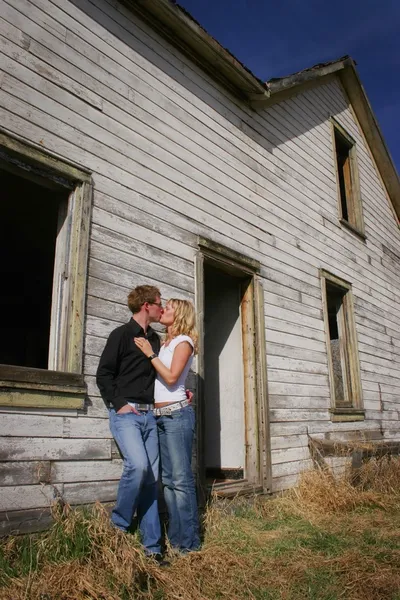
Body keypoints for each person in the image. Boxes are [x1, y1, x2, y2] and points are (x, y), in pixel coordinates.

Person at [96, 285, 164, 561]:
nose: (162, 307)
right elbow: (103, 375)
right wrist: (120, 404)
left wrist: (180, 391)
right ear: (146, 305)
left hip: (151, 415)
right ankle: (118, 528)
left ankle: (153, 549)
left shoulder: (156, 340)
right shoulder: (121, 335)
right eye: (160, 303)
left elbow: (159, 377)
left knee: (151, 480)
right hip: (127, 414)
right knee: (137, 466)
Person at [134, 298, 200, 554]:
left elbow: (172, 377)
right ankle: (177, 540)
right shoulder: (166, 342)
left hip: (176, 417)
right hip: (160, 417)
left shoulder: (184, 341)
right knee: (170, 482)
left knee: (181, 482)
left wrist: (149, 353)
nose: (164, 310)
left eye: (169, 308)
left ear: (180, 315)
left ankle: (190, 545)